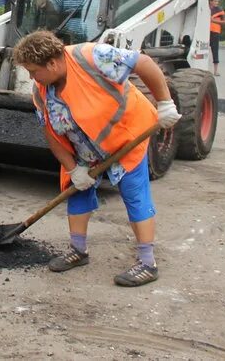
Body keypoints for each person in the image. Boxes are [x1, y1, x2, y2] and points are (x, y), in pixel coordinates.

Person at [12, 30, 182, 287]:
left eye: (33, 70)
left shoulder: (93, 57)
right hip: (86, 151)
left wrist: (165, 103)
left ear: (53, 63)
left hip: (127, 138)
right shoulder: (42, 91)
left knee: (134, 194)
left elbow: (144, 63)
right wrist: (73, 169)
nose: (31, 77)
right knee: (76, 191)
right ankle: (78, 251)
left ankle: (148, 263)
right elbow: (50, 134)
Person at [209, 0, 225, 76]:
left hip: (215, 32)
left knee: (215, 50)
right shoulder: (207, 9)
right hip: (206, 31)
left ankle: (216, 71)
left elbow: (224, 22)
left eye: (217, 1)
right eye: (215, 1)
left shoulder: (220, 11)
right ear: (211, 1)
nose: (217, 3)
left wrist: (213, 20)